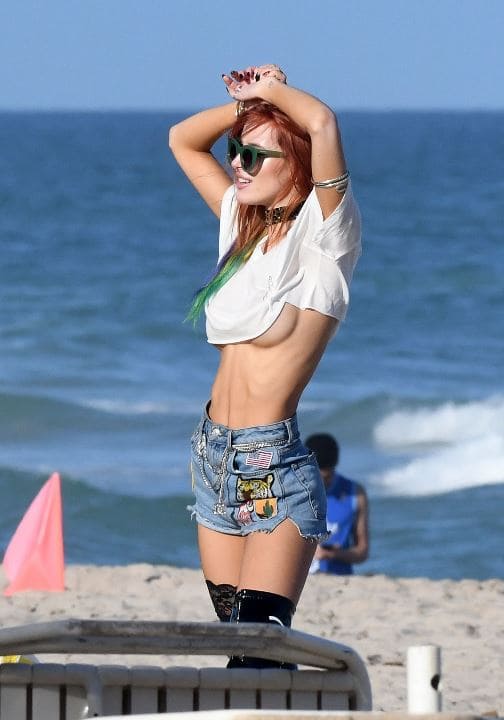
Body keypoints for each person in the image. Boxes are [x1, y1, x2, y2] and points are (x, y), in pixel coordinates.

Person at [168, 63, 361, 667]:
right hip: (211, 459)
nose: (239, 164)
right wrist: (246, 108)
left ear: (298, 166)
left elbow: (322, 121)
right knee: (239, 651)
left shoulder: (326, 241)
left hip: (272, 469)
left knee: (256, 654)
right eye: (236, 152)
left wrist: (271, 93)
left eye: (256, 155)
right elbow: (182, 139)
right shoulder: (239, 225)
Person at [305, 434, 369, 575]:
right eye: (317, 477)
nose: (322, 483)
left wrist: (334, 554)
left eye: (327, 477)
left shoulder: (355, 493)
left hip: (339, 576)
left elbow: (362, 552)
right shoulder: (291, 492)